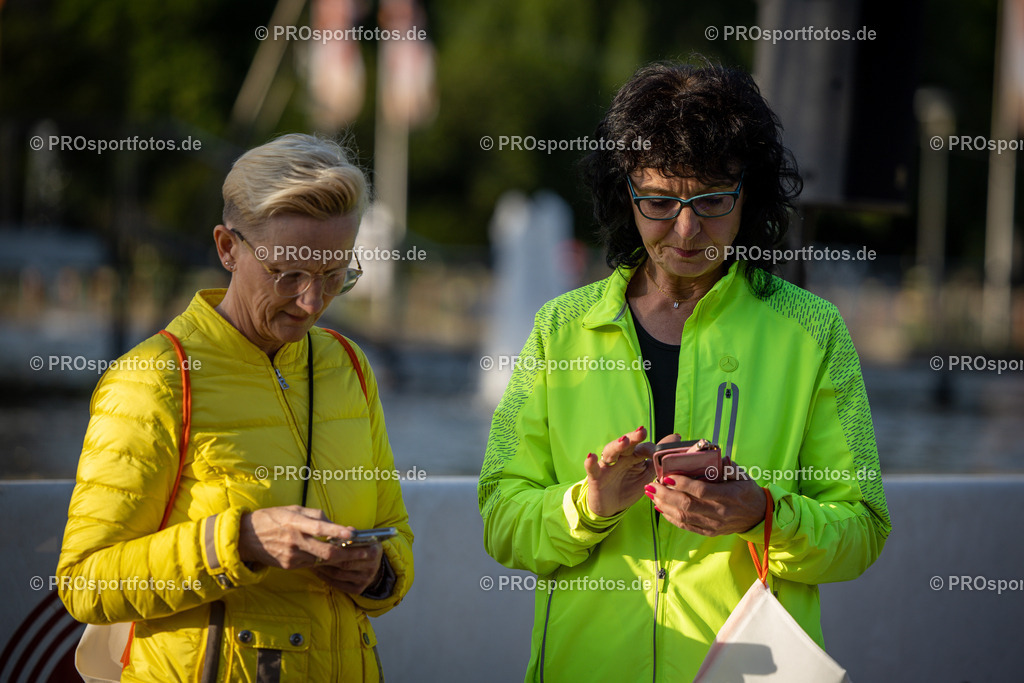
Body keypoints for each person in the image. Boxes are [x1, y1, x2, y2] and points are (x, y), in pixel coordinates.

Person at [479, 60, 891, 682]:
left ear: (749, 195)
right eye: (660, 200)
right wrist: (584, 505)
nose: (687, 228)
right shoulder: (555, 329)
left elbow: (863, 527)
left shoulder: (814, 331)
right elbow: (499, 516)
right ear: (625, 194)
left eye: (712, 200)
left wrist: (762, 513)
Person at [57, 133, 413, 682]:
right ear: (227, 248)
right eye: (287, 274)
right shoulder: (155, 377)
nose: (312, 302)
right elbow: (85, 582)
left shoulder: (348, 364)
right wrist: (240, 541)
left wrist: (377, 573)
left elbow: (394, 532)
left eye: (334, 274)